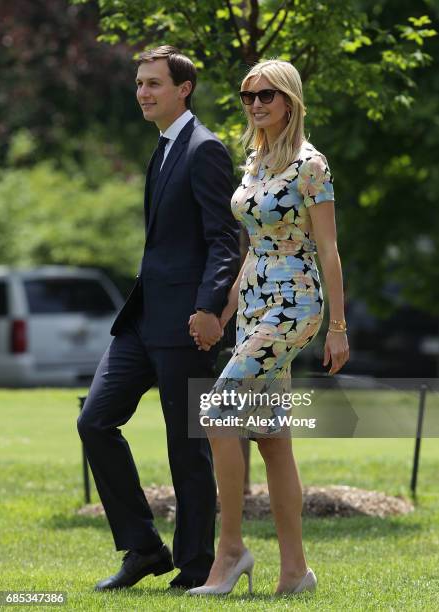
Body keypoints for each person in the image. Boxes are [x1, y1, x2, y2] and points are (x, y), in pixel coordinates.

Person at [77, 45, 240, 591]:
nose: (143, 92)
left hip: (187, 324)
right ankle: (144, 548)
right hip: (142, 320)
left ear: (183, 88)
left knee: (186, 447)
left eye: (154, 83)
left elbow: (224, 239)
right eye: (140, 83)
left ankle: (196, 566)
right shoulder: (163, 148)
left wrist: (207, 307)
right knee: (95, 421)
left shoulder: (206, 148)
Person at [188, 59, 349, 596]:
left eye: (267, 95)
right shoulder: (254, 161)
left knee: (215, 407)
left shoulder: (311, 165)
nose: (255, 104)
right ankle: (295, 572)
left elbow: (329, 250)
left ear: (289, 101)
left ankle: (230, 550)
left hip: (296, 305)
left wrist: (337, 326)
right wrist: (224, 314)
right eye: (247, 95)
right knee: (273, 440)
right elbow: (252, 249)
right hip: (256, 301)